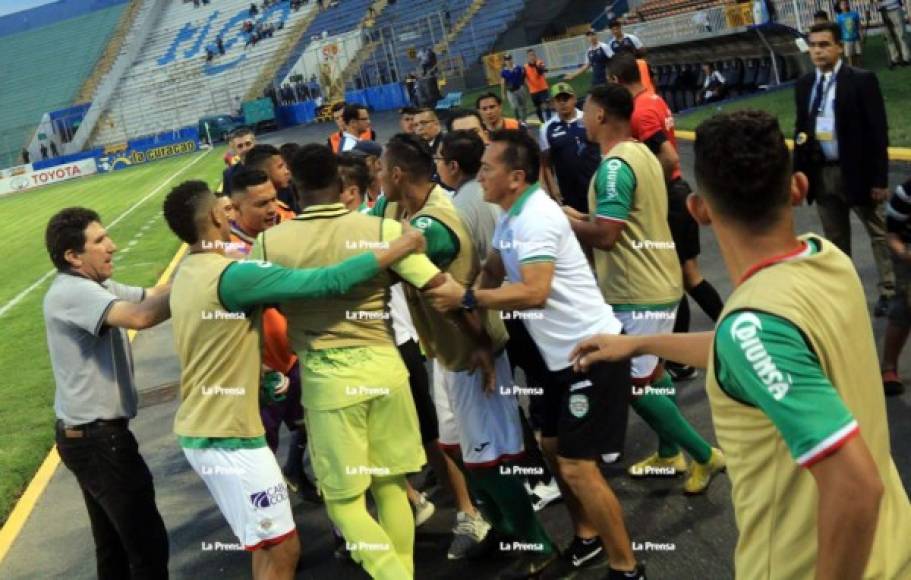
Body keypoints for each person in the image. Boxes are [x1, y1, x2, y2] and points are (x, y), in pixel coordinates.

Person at [572, 109, 911, 580]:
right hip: (893, 548)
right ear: (797, 188)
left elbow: (855, 486)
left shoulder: (755, 325)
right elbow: (752, 352)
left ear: (699, 211)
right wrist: (636, 344)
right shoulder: (825, 260)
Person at [163, 180, 425, 580]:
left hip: (210, 429)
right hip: (229, 437)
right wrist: (397, 248)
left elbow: (206, 340)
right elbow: (324, 283)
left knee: (267, 549)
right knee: (283, 550)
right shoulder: (233, 275)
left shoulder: (187, 272)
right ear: (216, 216)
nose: (231, 211)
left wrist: (260, 371)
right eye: (225, 207)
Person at [428, 129, 646, 580]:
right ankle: (588, 537)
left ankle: (627, 567)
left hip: (593, 354)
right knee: (550, 446)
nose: (480, 175)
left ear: (517, 176)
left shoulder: (536, 219)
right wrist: (477, 330)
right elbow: (491, 268)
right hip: (558, 361)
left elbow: (534, 292)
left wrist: (466, 301)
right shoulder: (509, 214)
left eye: (488, 169)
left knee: (577, 466)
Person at [251, 144, 461, 579]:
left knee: (345, 501)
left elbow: (250, 307)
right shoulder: (382, 230)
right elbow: (440, 289)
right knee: (389, 486)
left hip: (328, 381)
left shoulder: (270, 242)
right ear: (340, 182)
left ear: (293, 185)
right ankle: (401, 571)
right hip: (386, 369)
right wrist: (481, 339)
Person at [373, 133, 557, 577]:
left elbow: (443, 294)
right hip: (444, 352)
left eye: (381, 170)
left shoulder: (435, 226)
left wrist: (479, 346)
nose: (376, 177)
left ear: (397, 175)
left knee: (491, 457)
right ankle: (500, 525)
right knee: (456, 447)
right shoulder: (399, 207)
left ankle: (536, 542)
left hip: (474, 352)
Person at [565, 83, 725, 494]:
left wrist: (564, 221)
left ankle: (705, 456)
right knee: (652, 374)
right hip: (657, 279)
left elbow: (606, 236)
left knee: (633, 386)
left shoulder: (616, 165)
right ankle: (670, 453)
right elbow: (625, 219)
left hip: (637, 290)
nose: (583, 118)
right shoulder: (641, 153)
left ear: (600, 115)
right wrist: (581, 214)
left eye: (586, 110)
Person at [44, 207, 171, 579]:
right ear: (73, 256)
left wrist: (199, 264)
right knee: (146, 547)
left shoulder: (93, 286)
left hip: (89, 438)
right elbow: (141, 317)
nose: (111, 246)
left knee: (114, 549)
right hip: (99, 442)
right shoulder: (72, 292)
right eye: (99, 241)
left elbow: (150, 295)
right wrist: (199, 283)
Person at [609, 54, 725, 381]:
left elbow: (669, 156)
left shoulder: (641, 110)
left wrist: (645, 181)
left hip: (670, 195)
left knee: (679, 277)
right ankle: (685, 355)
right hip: (676, 194)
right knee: (685, 276)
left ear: (615, 80)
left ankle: (685, 353)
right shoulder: (654, 99)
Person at [793, 21, 895, 317]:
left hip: (859, 172)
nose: (818, 51)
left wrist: (879, 178)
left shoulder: (861, 80)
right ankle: (847, 294)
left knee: (878, 232)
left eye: (824, 45)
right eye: (813, 45)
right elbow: (801, 130)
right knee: (836, 240)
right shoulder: (805, 85)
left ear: (839, 47)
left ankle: (890, 290)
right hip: (822, 174)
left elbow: (878, 132)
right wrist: (798, 175)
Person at [538, 82, 601, 214]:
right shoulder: (547, 129)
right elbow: (546, 162)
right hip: (569, 190)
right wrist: (553, 188)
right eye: (558, 100)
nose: (562, 103)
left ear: (574, 99)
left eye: (566, 98)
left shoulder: (588, 118)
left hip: (596, 183)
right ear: (552, 104)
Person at [881, 177, 911, 396]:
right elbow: (892, 235)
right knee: (903, 308)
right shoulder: (905, 194)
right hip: (907, 253)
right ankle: (889, 367)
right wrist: (905, 254)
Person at [243, 144, 298, 216]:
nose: (287, 171)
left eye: (285, 165)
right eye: (280, 166)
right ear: (262, 172)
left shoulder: (287, 189)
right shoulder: (252, 204)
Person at [221, 127, 256, 195]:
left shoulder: (268, 165)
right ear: (234, 149)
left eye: (248, 144)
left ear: (255, 143)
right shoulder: (228, 175)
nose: (245, 149)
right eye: (240, 146)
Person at [878, 0, 910, 68]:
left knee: (901, 34)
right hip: (883, 10)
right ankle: (894, 58)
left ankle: (906, 58)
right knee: (889, 36)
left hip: (895, 7)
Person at [500, 54, 530, 124]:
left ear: (512, 59)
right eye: (506, 60)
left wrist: (528, 87)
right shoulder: (504, 71)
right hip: (510, 91)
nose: (508, 61)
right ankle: (518, 120)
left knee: (523, 106)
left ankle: (524, 121)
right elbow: (503, 83)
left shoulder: (518, 68)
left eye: (509, 59)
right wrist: (503, 93)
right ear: (505, 61)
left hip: (520, 89)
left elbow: (524, 79)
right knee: (515, 107)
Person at [525, 49, 550, 123]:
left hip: (543, 88)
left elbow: (541, 70)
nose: (532, 57)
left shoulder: (539, 62)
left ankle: (549, 121)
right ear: (527, 57)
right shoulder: (525, 67)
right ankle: (542, 122)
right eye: (530, 55)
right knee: (537, 108)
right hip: (533, 91)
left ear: (535, 55)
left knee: (546, 105)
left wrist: (540, 68)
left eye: (533, 55)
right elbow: (523, 77)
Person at [836, 1, 863, 67]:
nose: (844, 5)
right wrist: (840, 39)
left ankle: (860, 67)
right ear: (840, 6)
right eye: (842, 4)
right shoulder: (839, 17)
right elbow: (839, 29)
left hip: (856, 37)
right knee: (849, 55)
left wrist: (861, 34)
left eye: (846, 3)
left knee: (858, 53)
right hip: (846, 39)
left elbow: (859, 25)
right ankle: (852, 68)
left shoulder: (854, 14)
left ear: (848, 4)